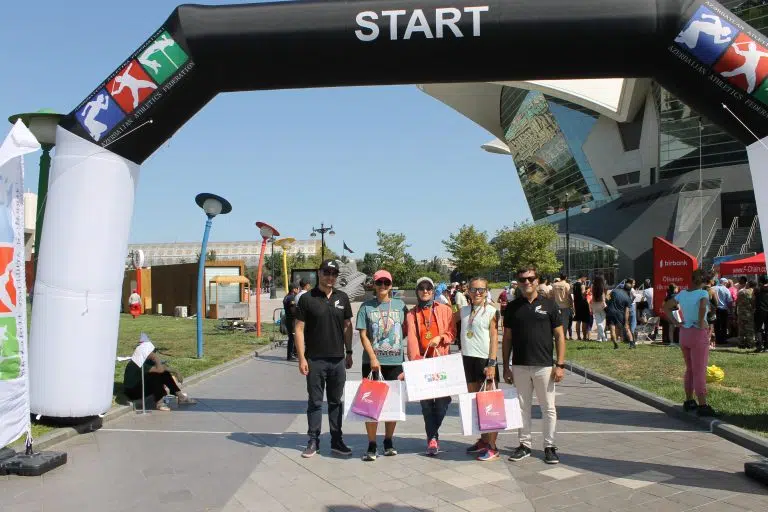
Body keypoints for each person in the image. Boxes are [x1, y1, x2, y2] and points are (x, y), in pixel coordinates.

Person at [503, 266, 566, 464]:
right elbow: (507, 338)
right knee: (522, 408)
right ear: (518, 283)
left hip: (544, 365)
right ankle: (525, 445)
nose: (527, 282)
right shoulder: (513, 307)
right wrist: (506, 366)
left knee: (548, 408)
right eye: (523, 279)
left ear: (537, 280)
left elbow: (559, 336)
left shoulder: (549, 305)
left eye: (530, 278)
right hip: (520, 365)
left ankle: (549, 446)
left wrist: (560, 364)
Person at [295, 260, 354, 458]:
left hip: (337, 360)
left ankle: (337, 440)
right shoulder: (307, 299)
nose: (330, 277)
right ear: (319, 273)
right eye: (326, 272)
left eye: (333, 273)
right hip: (315, 360)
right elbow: (299, 329)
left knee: (336, 402)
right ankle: (313, 440)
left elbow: (347, 326)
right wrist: (301, 358)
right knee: (315, 402)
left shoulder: (342, 297)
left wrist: (349, 352)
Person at [356, 269, 409, 461]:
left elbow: (406, 330)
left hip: (395, 362)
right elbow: (363, 335)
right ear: (374, 285)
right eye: (379, 283)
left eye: (387, 283)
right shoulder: (366, 307)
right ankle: (371, 444)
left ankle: (388, 440)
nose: (383, 286)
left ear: (391, 285)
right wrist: (373, 357)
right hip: (372, 363)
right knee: (371, 403)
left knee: (392, 403)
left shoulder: (400, 306)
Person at [406, 277, 456, 456]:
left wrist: (440, 338)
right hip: (422, 363)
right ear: (417, 291)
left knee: (442, 402)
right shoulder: (412, 314)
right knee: (427, 405)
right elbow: (412, 340)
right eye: (421, 288)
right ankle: (432, 439)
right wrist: (415, 364)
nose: (425, 291)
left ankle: (433, 433)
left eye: (428, 288)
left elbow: (452, 333)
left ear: (434, 291)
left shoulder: (445, 310)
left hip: (441, 362)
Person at [457, 277, 500, 461]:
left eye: (481, 289)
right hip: (468, 360)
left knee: (490, 404)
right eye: (474, 289)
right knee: (476, 403)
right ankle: (483, 440)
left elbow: (494, 338)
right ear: (468, 291)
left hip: (484, 361)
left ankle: (493, 446)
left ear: (486, 291)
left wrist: (491, 363)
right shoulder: (463, 310)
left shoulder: (492, 311)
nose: (477, 293)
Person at [663, 270, 716, 417]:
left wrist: (676, 322)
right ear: (704, 281)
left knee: (690, 369)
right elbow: (703, 306)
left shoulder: (682, 294)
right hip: (698, 333)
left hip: (684, 332)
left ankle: (689, 400)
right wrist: (700, 321)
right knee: (700, 370)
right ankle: (703, 404)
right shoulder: (703, 293)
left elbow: (666, 307)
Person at [123, 349, 196, 411]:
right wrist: (156, 359)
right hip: (133, 392)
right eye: (152, 352)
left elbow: (164, 368)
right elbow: (159, 370)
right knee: (154, 375)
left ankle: (181, 396)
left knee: (164, 373)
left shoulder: (147, 360)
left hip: (142, 386)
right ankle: (159, 403)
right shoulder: (137, 362)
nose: (154, 354)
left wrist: (175, 371)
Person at [606, 280, 634, 349]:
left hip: (610, 312)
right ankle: (631, 344)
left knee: (612, 328)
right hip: (620, 314)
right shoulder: (628, 298)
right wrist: (626, 322)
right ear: (629, 290)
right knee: (626, 328)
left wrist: (608, 303)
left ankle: (615, 345)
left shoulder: (615, 291)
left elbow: (607, 297)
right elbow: (627, 312)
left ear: (623, 287)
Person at [713, 277, 733, 345]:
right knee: (724, 325)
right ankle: (723, 340)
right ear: (725, 283)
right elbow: (729, 301)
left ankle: (717, 339)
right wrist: (731, 310)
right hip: (723, 309)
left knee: (716, 325)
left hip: (715, 309)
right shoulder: (726, 290)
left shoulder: (713, 288)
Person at [552, 274, 572, 339]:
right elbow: (569, 295)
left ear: (560, 278)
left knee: (556, 321)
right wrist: (571, 303)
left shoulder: (554, 285)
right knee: (565, 321)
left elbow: (552, 295)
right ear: (566, 278)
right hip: (565, 305)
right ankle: (563, 335)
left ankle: (556, 335)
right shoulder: (566, 285)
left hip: (556, 305)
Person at [736, 280, 755, 349]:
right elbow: (753, 302)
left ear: (749, 284)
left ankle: (741, 343)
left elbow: (737, 302)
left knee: (741, 329)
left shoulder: (741, 292)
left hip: (741, 312)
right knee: (749, 329)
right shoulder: (753, 292)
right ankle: (750, 344)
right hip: (749, 313)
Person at [283, 282, 300, 360]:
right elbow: (293, 310)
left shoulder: (287, 296)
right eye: (297, 288)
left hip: (288, 319)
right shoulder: (292, 298)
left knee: (292, 337)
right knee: (292, 338)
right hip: (292, 320)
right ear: (294, 289)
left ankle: (294, 353)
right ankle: (290, 355)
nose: (298, 290)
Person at [572, 275, 590, 340]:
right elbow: (583, 294)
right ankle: (584, 336)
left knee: (578, 321)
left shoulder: (574, 285)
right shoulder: (582, 285)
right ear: (582, 277)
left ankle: (578, 336)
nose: (585, 280)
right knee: (584, 320)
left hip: (576, 304)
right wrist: (587, 291)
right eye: (585, 279)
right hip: (583, 304)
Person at [590, 276, 608, 342]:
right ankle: (603, 337)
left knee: (598, 322)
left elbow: (592, 295)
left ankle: (599, 338)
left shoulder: (592, 286)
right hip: (603, 305)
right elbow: (606, 296)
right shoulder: (604, 287)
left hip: (595, 305)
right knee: (602, 322)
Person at [754, 275, 768, 353]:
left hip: (760, 311)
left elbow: (753, 299)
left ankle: (760, 346)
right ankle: (767, 347)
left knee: (758, 329)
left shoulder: (757, 289)